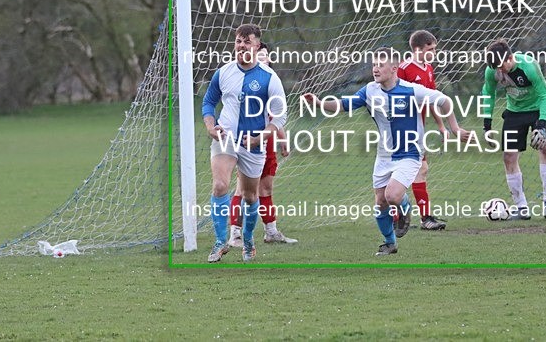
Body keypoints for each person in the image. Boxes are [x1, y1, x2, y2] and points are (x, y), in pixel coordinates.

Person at [303, 47, 472, 256]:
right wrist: (319, 103)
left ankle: (405, 206)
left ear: (394, 68)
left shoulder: (411, 90)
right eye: (374, 64)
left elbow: (445, 100)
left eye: (381, 65)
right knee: (381, 201)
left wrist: (454, 128)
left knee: (392, 195)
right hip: (384, 155)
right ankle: (389, 243)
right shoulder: (369, 90)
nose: (375, 68)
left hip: (410, 153)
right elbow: (342, 104)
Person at [201, 24, 287, 263]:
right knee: (220, 186)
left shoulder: (269, 78)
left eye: (247, 42)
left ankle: (248, 241)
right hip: (226, 138)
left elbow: (280, 116)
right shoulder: (224, 72)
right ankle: (220, 243)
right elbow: (208, 102)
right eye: (238, 41)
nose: (241, 46)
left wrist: (261, 137)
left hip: (254, 145)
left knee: (250, 197)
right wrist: (210, 126)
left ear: (257, 46)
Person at [228, 42, 297, 247]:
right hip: (247, 141)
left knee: (265, 189)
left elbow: (275, 117)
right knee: (242, 189)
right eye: (259, 55)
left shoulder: (270, 83)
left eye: (266, 55)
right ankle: (235, 234)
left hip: (267, 143)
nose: (263, 58)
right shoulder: (243, 82)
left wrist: (283, 141)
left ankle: (271, 232)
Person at [480, 39, 546, 220]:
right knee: (508, 156)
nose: (499, 71)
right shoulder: (492, 70)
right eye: (495, 68)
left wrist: (542, 124)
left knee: (545, 147)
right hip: (514, 112)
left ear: (510, 57)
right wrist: (487, 123)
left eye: (501, 66)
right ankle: (522, 208)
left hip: (538, 109)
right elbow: (488, 93)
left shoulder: (529, 66)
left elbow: (545, 95)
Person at [397, 30, 448, 231]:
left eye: (435, 48)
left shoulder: (428, 69)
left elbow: (433, 98)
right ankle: (401, 216)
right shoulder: (403, 69)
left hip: (418, 129)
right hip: (401, 130)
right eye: (431, 49)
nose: (434, 52)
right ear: (418, 49)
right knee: (401, 173)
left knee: (422, 170)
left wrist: (441, 125)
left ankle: (424, 218)